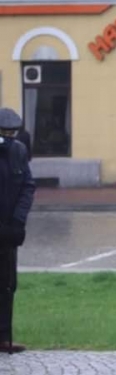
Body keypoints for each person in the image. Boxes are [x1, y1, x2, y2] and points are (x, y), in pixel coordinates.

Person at [0, 108, 35, 354]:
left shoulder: (18, 151)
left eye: (12, 133)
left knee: (7, 284)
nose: (9, 138)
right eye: (5, 133)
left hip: (9, 230)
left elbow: (27, 187)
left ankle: (3, 337)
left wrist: (17, 221)